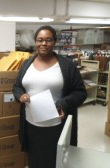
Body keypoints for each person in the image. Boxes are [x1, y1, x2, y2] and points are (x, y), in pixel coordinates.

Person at [12, 25, 87, 168]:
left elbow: (80, 92)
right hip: (30, 124)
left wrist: (64, 104)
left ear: (54, 42)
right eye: (40, 40)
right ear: (35, 42)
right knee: (34, 160)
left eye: (48, 40)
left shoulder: (66, 65)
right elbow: (16, 86)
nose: (44, 44)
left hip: (55, 126)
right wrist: (20, 95)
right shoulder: (26, 64)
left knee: (54, 161)